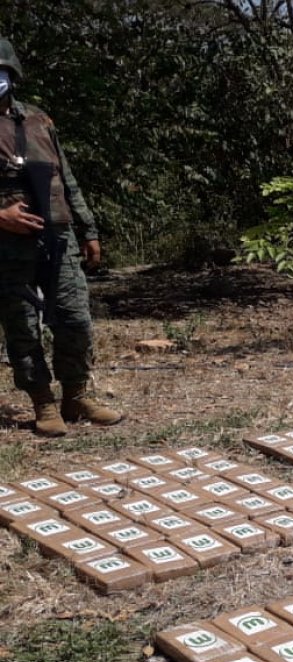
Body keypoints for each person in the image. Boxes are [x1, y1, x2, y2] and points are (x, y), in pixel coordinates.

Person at [0, 37, 121, 436]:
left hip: (60, 238)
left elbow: (66, 178)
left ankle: (76, 395)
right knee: (23, 326)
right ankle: (43, 403)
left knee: (75, 320)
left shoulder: (38, 120)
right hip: (8, 247)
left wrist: (88, 230)